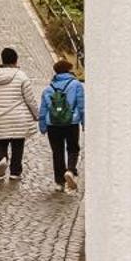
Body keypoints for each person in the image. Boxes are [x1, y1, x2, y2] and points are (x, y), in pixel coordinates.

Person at [0, 47, 39, 182]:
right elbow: (30, 99)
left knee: (1, 141)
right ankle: (15, 172)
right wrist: (36, 114)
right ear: (16, 60)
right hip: (19, 117)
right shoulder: (21, 76)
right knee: (18, 145)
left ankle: (2, 159)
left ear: (2, 59)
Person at [39, 59, 86, 193]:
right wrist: (84, 122)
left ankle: (59, 182)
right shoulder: (76, 84)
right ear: (68, 70)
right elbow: (81, 106)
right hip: (71, 122)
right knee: (73, 148)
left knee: (57, 152)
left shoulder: (48, 88)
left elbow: (43, 110)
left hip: (53, 124)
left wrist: (42, 126)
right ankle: (70, 170)